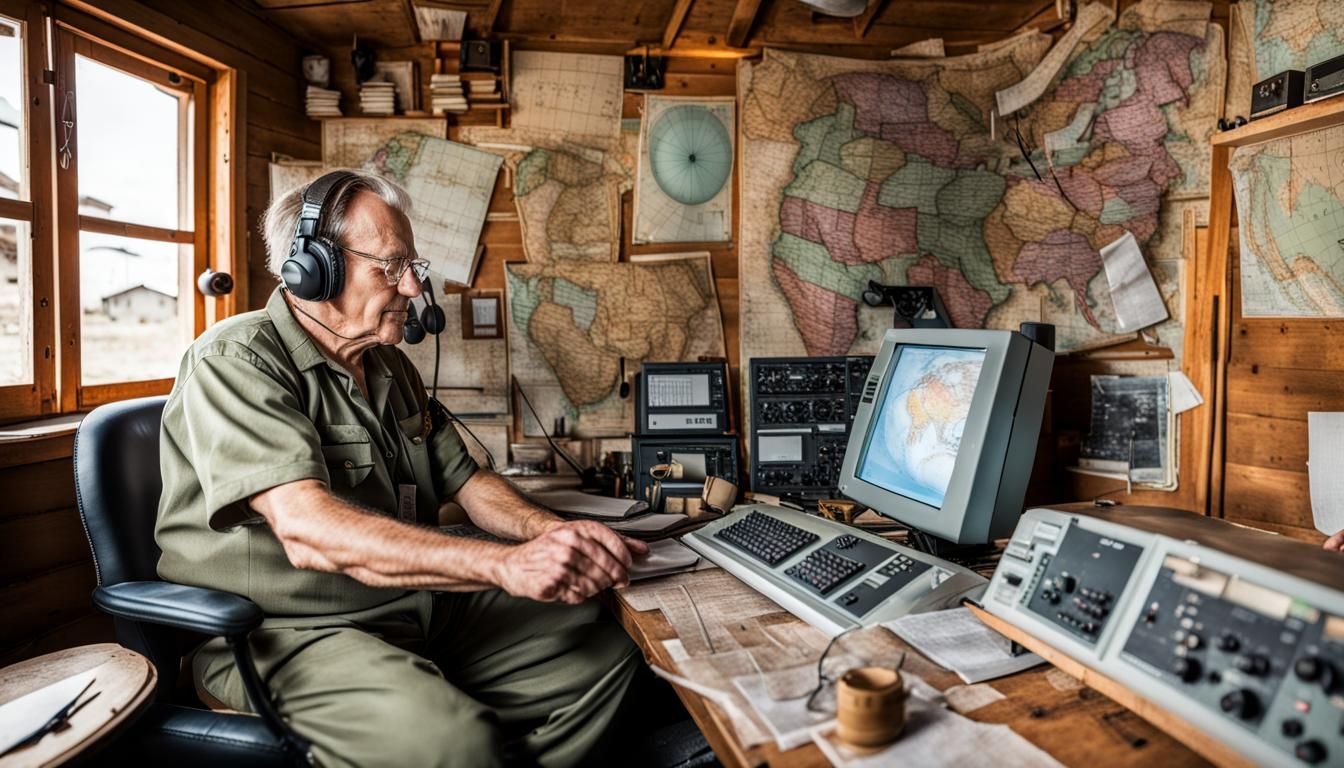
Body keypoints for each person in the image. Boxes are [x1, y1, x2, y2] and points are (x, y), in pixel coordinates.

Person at [154, 170, 649, 768]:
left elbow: (469, 482)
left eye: (413, 265)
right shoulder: (235, 360)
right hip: (284, 632)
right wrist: (504, 565)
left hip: (409, 605)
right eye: (390, 266)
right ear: (312, 269)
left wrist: (557, 536)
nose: (413, 286)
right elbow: (308, 530)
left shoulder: (389, 366)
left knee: (614, 645)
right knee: (452, 743)